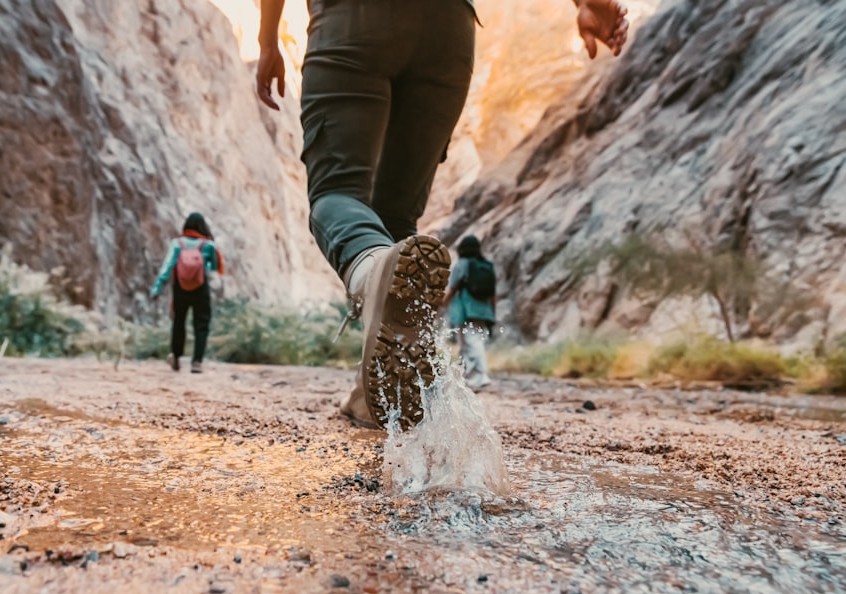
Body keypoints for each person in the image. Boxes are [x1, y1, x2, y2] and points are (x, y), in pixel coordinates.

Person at [256, 0, 628, 429]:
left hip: (353, 22)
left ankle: (371, 276)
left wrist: (268, 41)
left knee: (335, 195)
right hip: (449, 31)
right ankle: (375, 392)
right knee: (394, 225)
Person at [150, 212, 225, 374]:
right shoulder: (208, 245)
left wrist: (157, 288)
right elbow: (213, 267)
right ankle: (197, 362)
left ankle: (176, 357)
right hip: (200, 288)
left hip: (180, 288)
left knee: (179, 322)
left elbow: (167, 266)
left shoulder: (177, 243)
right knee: (201, 325)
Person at [442, 235, 496, 390]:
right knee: (474, 343)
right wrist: (493, 312)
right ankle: (471, 377)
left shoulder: (462, 265)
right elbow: (493, 294)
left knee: (471, 343)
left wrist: (439, 305)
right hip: (483, 311)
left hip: (465, 311)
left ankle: (480, 377)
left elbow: (451, 290)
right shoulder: (486, 265)